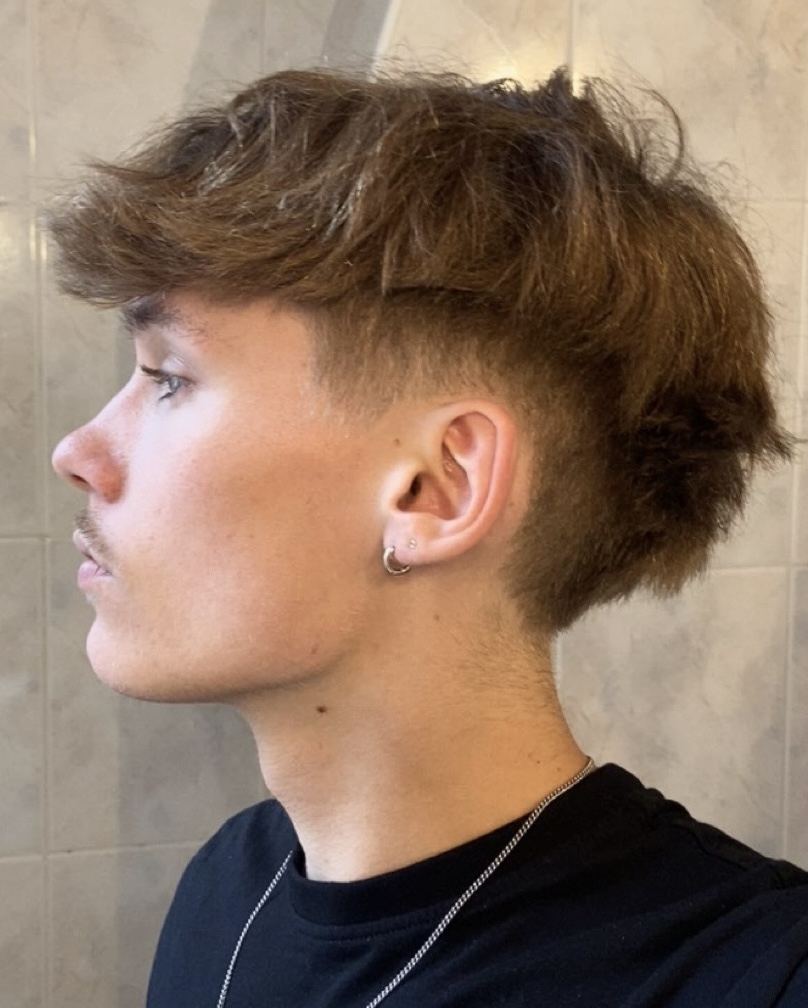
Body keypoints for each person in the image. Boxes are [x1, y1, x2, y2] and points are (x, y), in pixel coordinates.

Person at [49, 66, 807, 1007]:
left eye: (169, 377)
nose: (77, 454)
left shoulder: (752, 980)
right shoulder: (229, 888)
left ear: (436, 487)